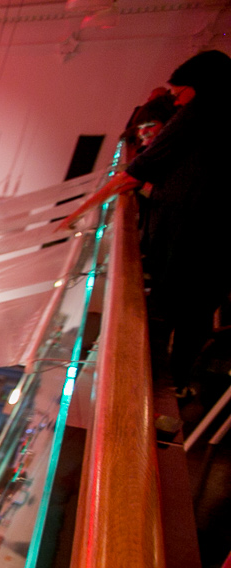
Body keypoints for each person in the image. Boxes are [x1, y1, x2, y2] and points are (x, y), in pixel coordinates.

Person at [62, 51, 231, 393]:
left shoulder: (201, 113)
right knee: (195, 315)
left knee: (167, 314)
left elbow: (136, 172)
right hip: (215, 246)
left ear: (198, 88)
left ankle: (161, 387)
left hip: (187, 239)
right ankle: (178, 383)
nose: (176, 102)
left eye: (179, 94)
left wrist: (77, 212)